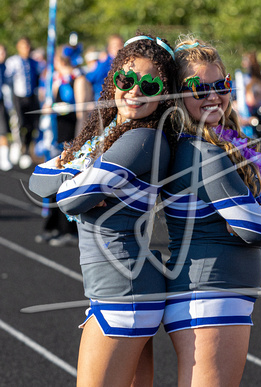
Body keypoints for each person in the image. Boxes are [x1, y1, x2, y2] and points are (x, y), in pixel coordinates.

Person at [29, 33, 177, 386]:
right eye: (126, 80)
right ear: (113, 80)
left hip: (123, 290)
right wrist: (79, 177)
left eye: (150, 85)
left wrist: (75, 180)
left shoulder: (141, 139)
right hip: (124, 288)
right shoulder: (110, 134)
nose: (135, 92)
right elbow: (38, 181)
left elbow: (68, 199)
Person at [161, 35, 261, 386]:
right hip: (209, 296)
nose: (214, 96)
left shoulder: (225, 141)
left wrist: (259, 207)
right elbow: (257, 230)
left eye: (221, 85)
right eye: (199, 90)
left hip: (218, 295)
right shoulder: (203, 152)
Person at [34, 44, 93, 246]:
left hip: (70, 141)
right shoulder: (56, 81)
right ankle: (52, 227)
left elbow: (81, 115)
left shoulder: (79, 80)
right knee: (52, 185)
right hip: (56, 139)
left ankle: (69, 231)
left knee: (67, 187)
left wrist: (76, 146)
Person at [4, 36, 41, 169]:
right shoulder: (13, 62)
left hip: (30, 96)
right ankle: (17, 146)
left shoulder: (34, 62)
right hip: (17, 97)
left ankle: (26, 149)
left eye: (27, 46)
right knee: (19, 122)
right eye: (23, 46)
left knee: (31, 124)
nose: (26, 49)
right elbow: (6, 78)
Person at [86, 34, 124, 101]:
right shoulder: (104, 62)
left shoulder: (126, 62)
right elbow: (90, 78)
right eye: (115, 46)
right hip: (102, 97)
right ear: (109, 48)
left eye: (120, 45)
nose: (118, 48)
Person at [0, 44, 12, 171]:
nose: (3, 55)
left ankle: (4, 159)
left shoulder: (4, 67)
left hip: (1, 101)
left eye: (4, 52)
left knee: (3, 130)